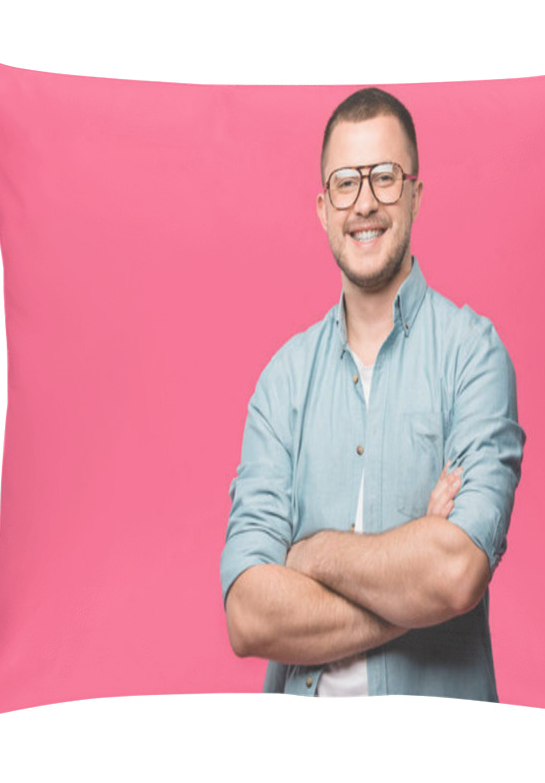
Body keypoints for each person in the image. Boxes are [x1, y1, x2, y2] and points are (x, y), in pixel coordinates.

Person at [219, 87, 526, 700]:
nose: (365, 203)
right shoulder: (283, 383)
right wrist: (414, 580)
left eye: (384, 177)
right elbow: (249, 615)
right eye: (345, 183)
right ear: (322, 207)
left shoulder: (473, 355)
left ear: (415, 192)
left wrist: (311, 554)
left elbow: (456, 573)